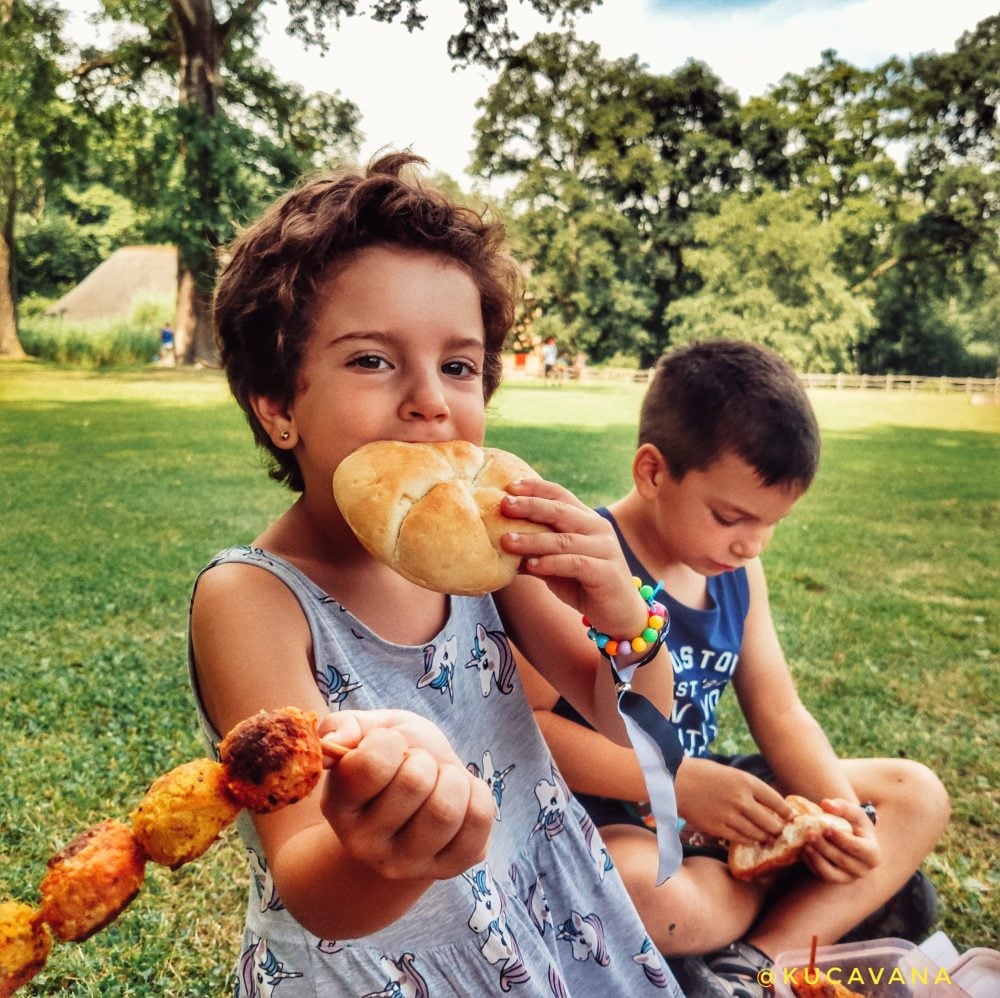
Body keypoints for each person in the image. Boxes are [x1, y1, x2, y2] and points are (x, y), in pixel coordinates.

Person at [189, 152, 684, 996]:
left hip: (544, 910)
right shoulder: (254, 599)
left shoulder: (484, 554)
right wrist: (394, 852)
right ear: (278, 406)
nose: (432, 401)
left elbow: (633, 730)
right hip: (377, 965)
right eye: (373, 360)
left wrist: (624, 615)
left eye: (459, 365)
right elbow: (312, 881)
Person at [518, 340, 951, 998]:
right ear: (652, 471)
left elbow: (779, 712)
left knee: (914, 794)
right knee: (641, 890)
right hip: (615, 813)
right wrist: (681, 782)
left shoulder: (738, 571)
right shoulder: (587, 564)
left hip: (720, 797)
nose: (751, 543)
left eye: (771, 524)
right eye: (730, 517)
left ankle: (753, 961)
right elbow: (536, 730)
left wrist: (841, 816)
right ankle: (804, 902)